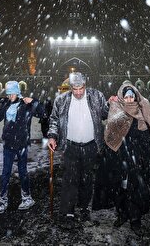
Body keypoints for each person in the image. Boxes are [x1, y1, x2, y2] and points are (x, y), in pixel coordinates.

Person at [47, 72, 109, 228]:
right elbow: (54, 119)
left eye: (81, 88)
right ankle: (68, 213)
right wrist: (53, 136)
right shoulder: (61, 100)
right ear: (71, 88)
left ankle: (83, 208)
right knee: (70, 180)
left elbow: (106, 113)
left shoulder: (96, 96)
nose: (79, 92)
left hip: (90, 146)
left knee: (87, 179)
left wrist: (113, 103)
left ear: (85, 85)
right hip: (70, 146)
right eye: (75, 89)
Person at [98, 83, 150, 234]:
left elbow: (147, 137)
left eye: (131, 96)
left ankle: (135, 219)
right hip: (119, 157)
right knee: (119, 188)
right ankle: (122, 214)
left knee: (135, 188)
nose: (129, 99)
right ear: (122, 97)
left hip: (136, 159)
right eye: (126, 96)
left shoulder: (142, 111)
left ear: (136, 96)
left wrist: (142, 152)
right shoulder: (116, 109)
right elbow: (109, 130)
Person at [0, 80, 44, 214]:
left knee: (23, 172)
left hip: (22, 144)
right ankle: (2, 201)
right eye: (8, 94)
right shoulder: (6, 104)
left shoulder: (25, 105)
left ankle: (27, 198)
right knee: (5, 173)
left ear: (17, 92)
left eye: (12, 93)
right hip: (8, 144)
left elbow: (42, 113)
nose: (10, 96)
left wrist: (34, 101)